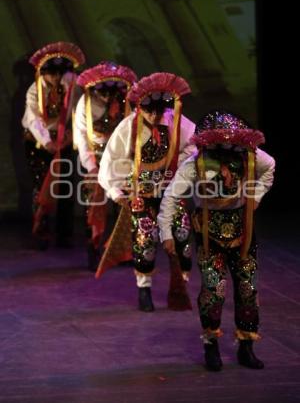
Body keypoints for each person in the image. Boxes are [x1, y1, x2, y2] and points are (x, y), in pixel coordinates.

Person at [157, 110, 275, 370]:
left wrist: (256, 195)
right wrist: (166, 232)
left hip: (243, 233)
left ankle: (246, 346)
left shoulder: (250, 156)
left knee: (248, 289)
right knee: (214, 291)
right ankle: (211, 345)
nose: (228, 148)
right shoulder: (195, 163)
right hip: (210, 237)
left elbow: (270, 168)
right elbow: (171, 196)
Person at [98, 72, 196, 311]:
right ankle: (144, 288)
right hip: (141, 193)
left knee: (182, 232)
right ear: (138, 107)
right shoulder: (128, 127)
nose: (154, 115)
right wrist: (117, 191)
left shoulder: (176, 121)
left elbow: (194, 146)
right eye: (148, 110)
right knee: (146, 237)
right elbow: (111, 162)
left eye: (159, 110)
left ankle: (180, 284)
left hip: (170, 192)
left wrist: (179, 165)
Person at [22, 41, 85, 249]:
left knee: (65, 186)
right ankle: (41, 231)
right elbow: (33, 119)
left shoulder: (70, 86)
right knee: (42, 187)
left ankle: (64, 234)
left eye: (61, 73)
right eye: (52, 74)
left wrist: (70, 137)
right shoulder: (34, 90)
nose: (57, 78)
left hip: (63, 139)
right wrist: (48, 141)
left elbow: (78, 114)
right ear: (43, 73)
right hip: (39, 143)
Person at [75, 61, 137, 270]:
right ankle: (94, 249)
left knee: (126, 201)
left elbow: (131, 131)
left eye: (111, 91)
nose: (107, 96)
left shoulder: (125, 101)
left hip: (120, 156)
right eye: (102, 91)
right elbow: (82, 137)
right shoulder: (85, 102)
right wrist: (91, 166)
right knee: (94, 204)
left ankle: (124, 252)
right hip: (95, 154)